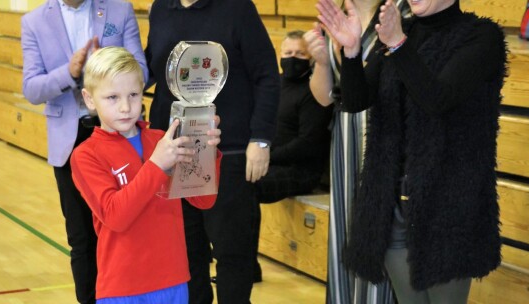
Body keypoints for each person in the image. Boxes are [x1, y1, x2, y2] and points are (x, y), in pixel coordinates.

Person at [316, 0, 506, 303]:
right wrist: (351, 53)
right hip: (391, 206)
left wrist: (398, 44)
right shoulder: (402, 34)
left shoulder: (481, 36)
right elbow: (355, 101)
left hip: (447, 207)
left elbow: (437, 99)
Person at [144, 0, 280, 303]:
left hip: (227, 153)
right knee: (186, 256)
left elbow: (267, 74)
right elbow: (154, 69)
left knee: (233, 254)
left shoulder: (238, 7)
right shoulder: (161, 8)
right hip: (175, 153)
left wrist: (260, 139)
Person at [70, 46, 222, 303]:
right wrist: (156, 165)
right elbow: (115, 216)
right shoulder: (86, 155)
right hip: (123, 287)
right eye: (112, 97)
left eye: (133, 94)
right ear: (89, 99)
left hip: (173, 281)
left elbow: (203, 200)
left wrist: (206, 153)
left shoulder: (161, 140)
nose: (126, 107)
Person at [21, 1, 147, 302]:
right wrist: (70, 72)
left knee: (127, 231)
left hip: (121, 136)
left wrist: (106, 69)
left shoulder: (119, 10)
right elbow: (32, 89)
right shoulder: (33, 21)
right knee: (81, 238)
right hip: (69, 142)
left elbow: (140, 70)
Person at [304, 1, 410, 303]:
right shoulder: (336, 14)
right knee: (346, 230)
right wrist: (323, 62)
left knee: (380, 234)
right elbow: (324, 99)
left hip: (387, 136)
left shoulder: (401, 11)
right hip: (346, 137)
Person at [249, 30, 333, 282]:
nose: (293, 58)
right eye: (288, 53)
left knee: (246, 186)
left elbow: (308, 144)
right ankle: (234, 258)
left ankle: (247, 265)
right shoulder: (274, 84)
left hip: (301, 170)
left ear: (310, 58)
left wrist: (268, 156)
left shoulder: (313, 90)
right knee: (230, 178)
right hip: (272, 162)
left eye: (300, 53)